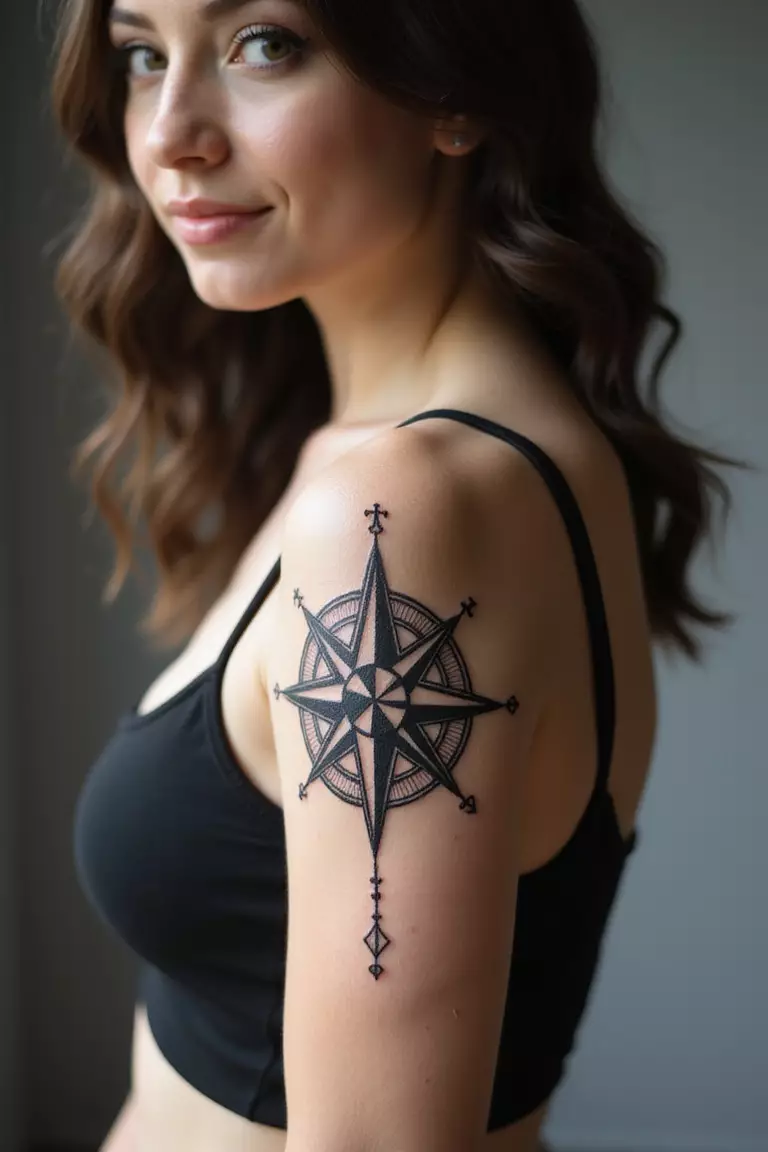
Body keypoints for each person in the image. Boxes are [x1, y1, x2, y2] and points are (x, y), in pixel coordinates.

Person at [55, 0, 736, 1150]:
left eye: (262, 43)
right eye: (139, 56)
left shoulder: (405, 507)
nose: (170, 131)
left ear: (454, 90)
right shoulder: (407, 455)